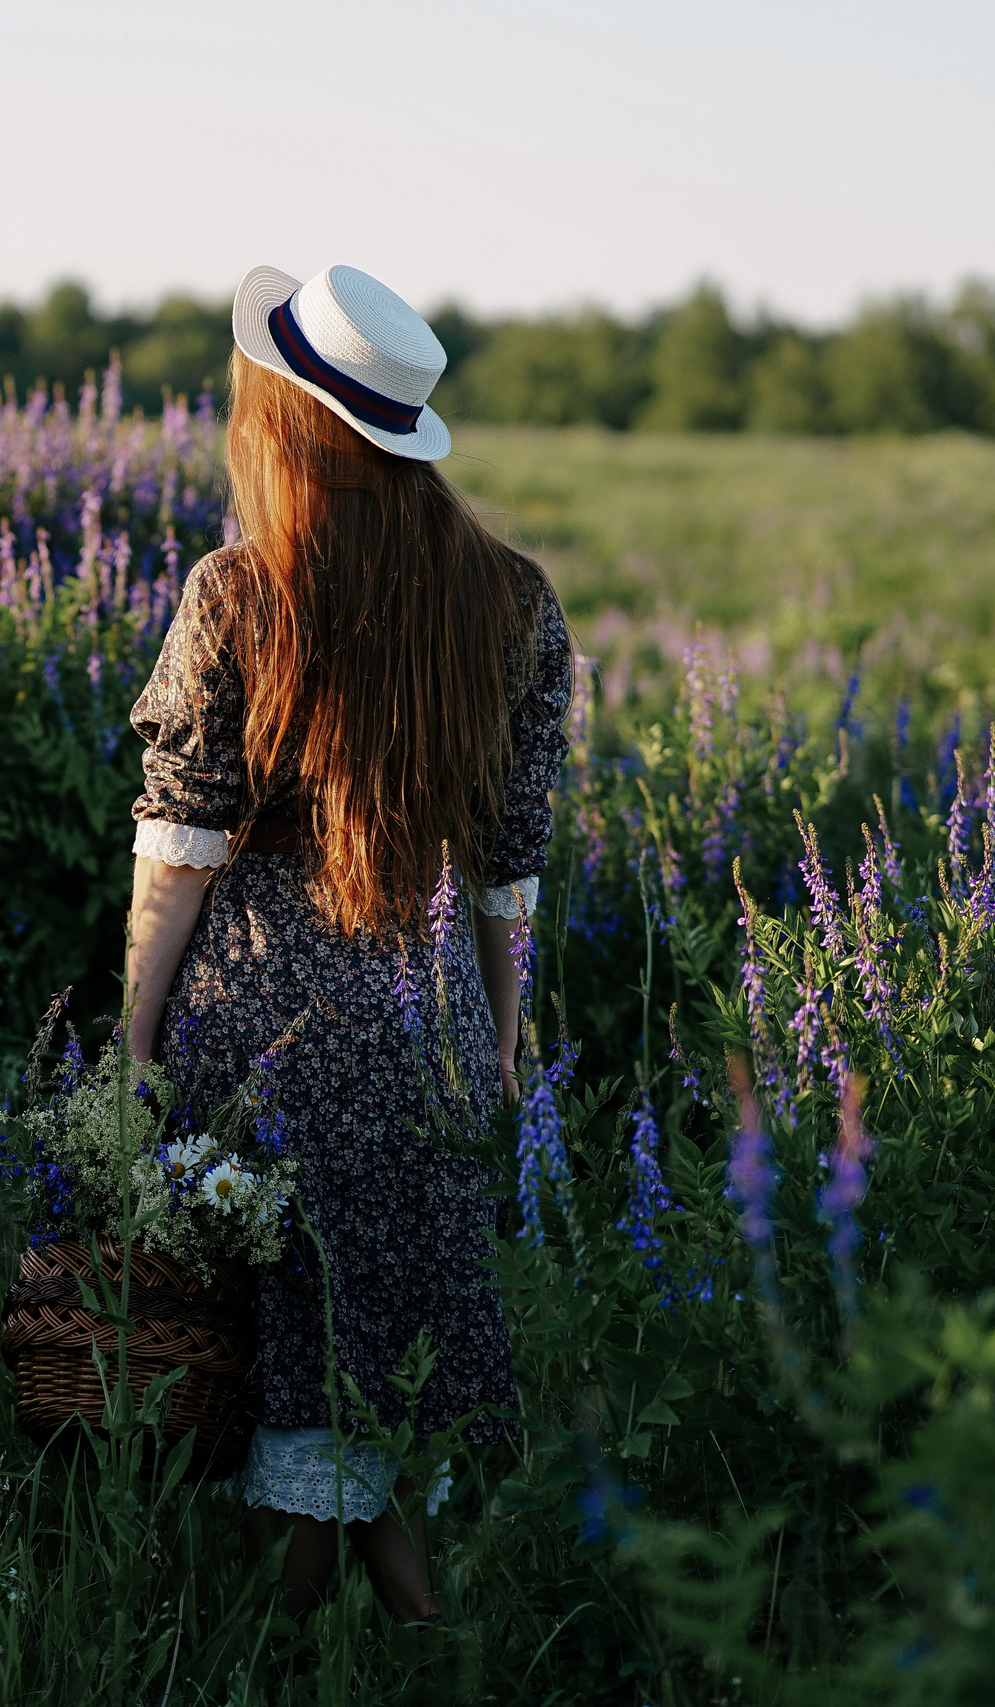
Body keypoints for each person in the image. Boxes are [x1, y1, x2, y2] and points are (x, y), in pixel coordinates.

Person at [121, 263, 573, 1625]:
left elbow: (181, 841)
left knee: (288, 1359)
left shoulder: (241, 590)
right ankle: (418, 1643)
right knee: (362, 1354)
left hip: (259, 1021)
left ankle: (301, 1648)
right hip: (419, 1020)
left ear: (291, 420)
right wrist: (494, 1043)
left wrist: (133, 1037)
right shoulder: (511, 598)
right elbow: (510, 862)